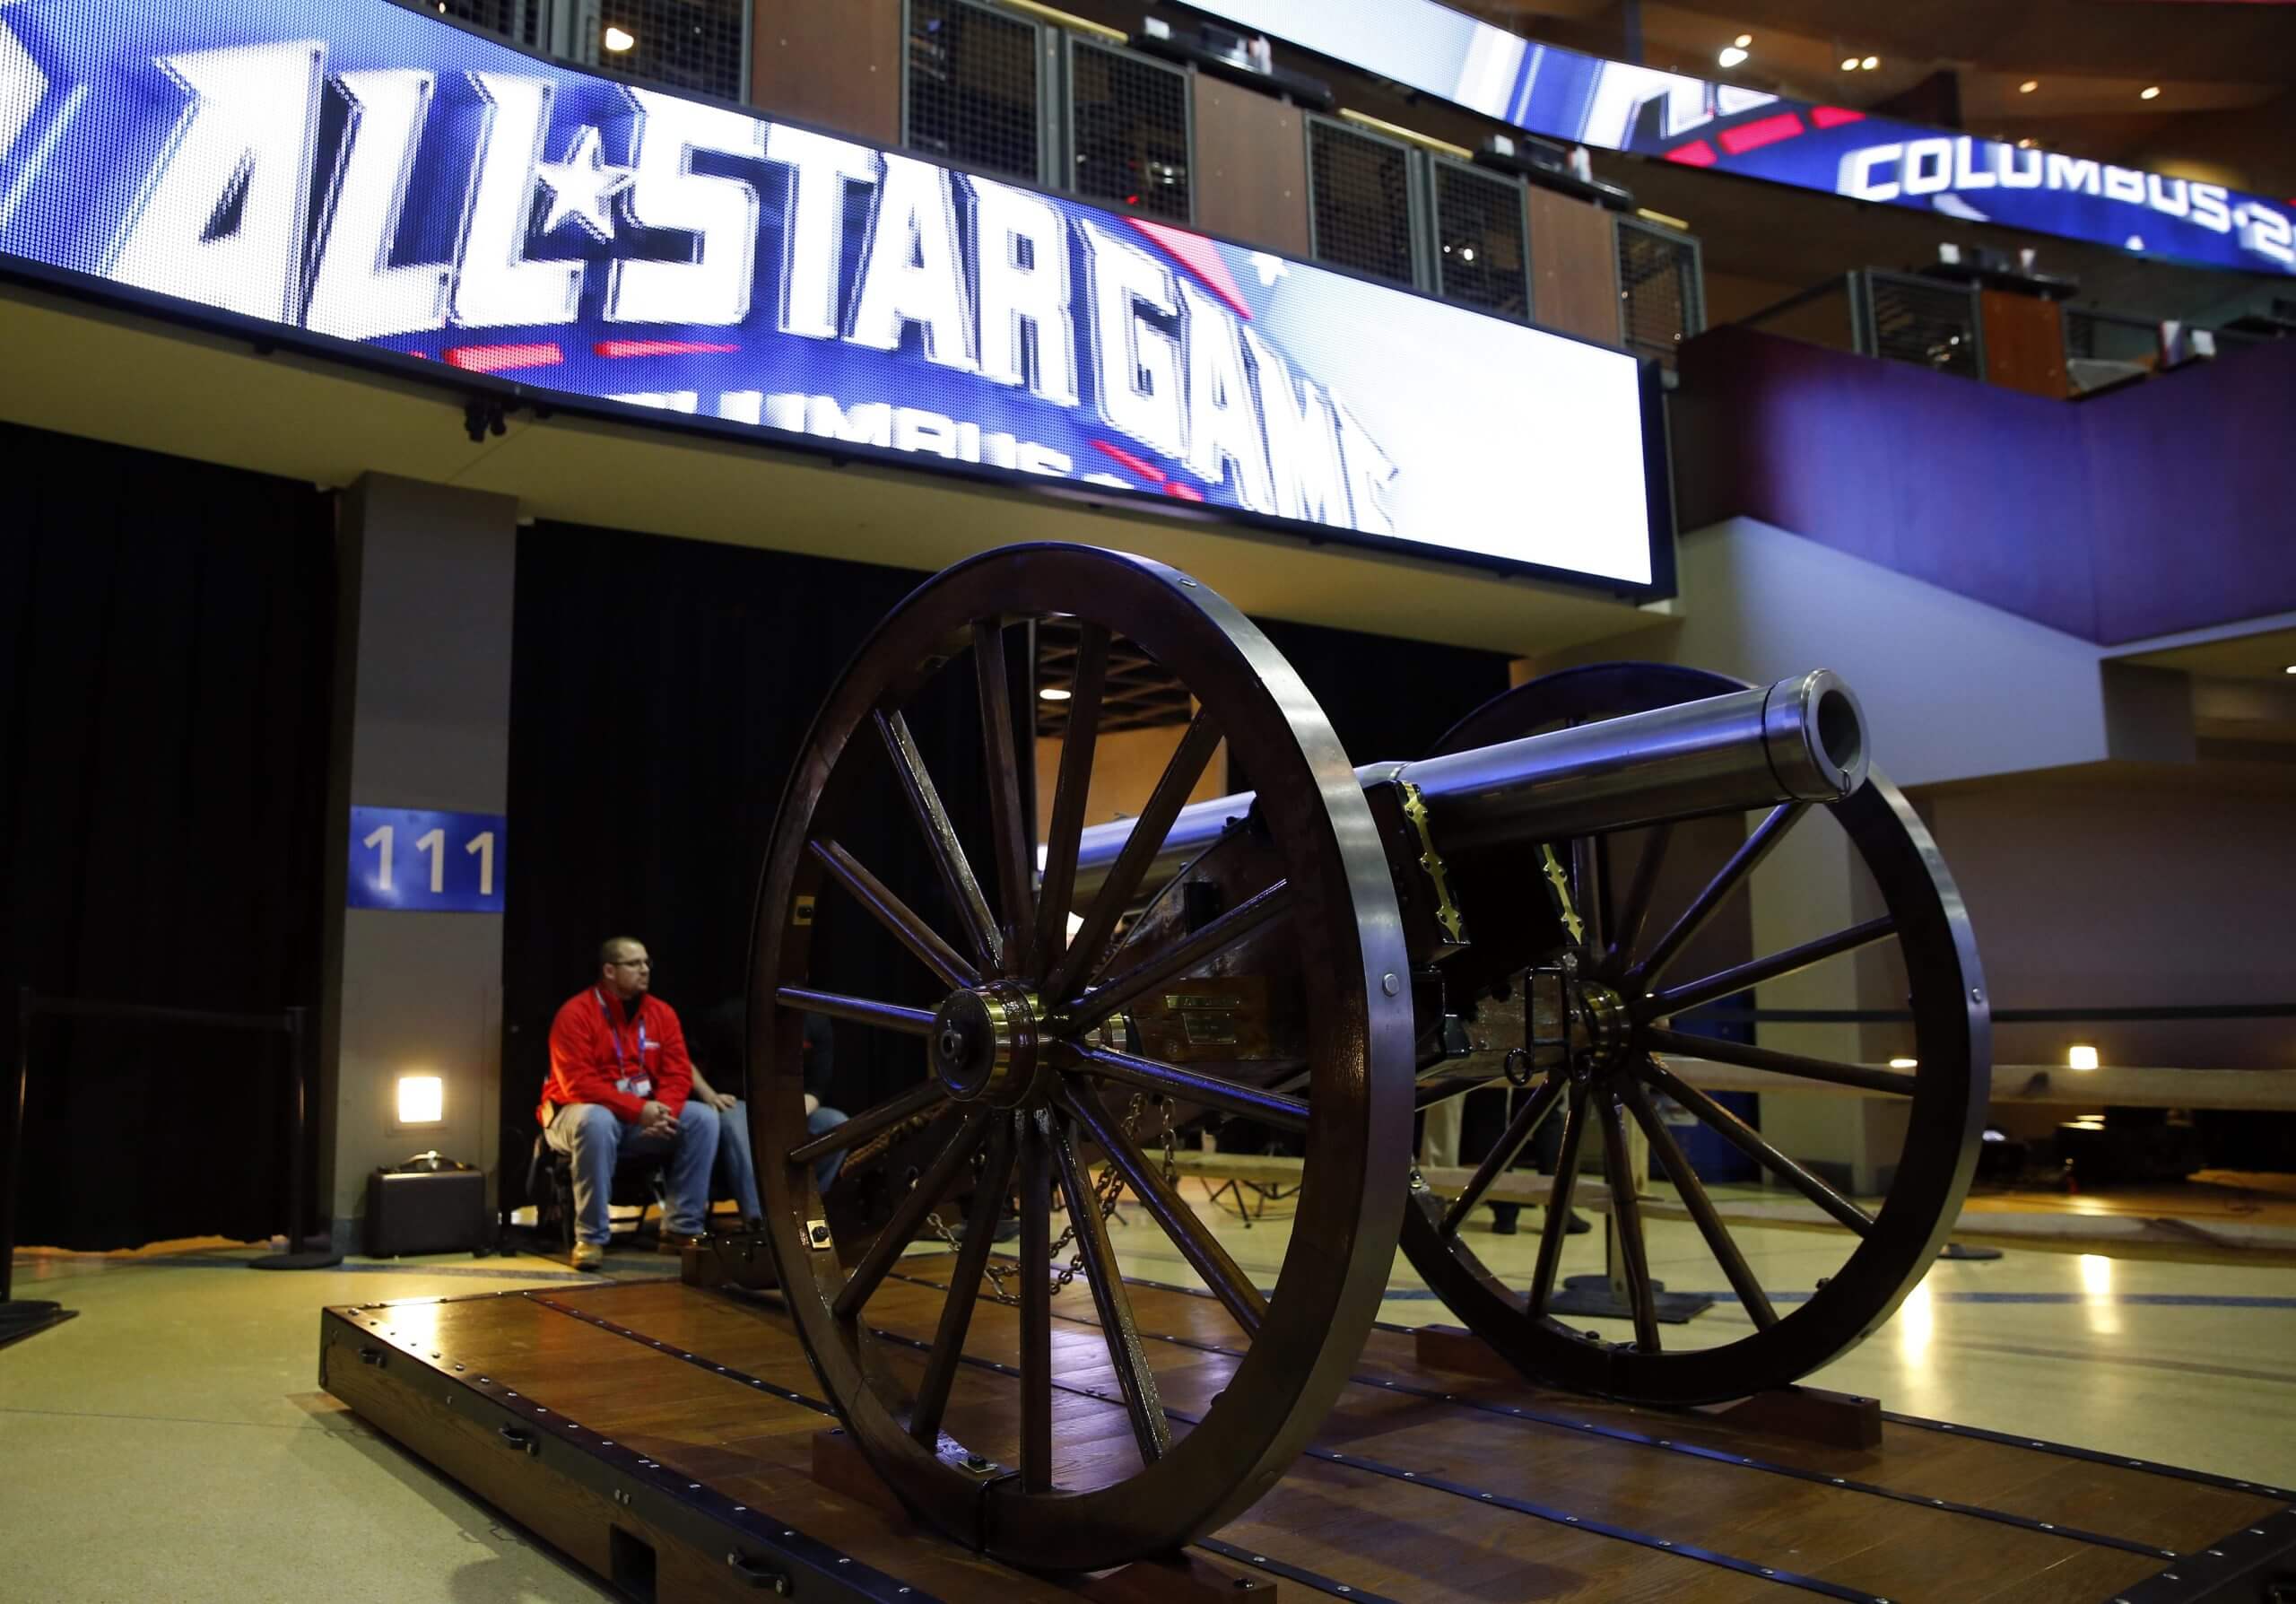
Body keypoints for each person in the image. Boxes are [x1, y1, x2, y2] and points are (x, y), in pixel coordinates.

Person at [539, 937, 720, 1269]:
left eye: (647, 963)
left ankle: (681, 1229)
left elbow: (678, 1072)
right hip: (574, 1116)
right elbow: (578, 1083)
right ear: (609, 970)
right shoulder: (576, 1013)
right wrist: (640, 1111)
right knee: (597, 1120)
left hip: (642, 1119)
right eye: (634, 963)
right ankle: (591, 1238)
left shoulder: (661, 1013)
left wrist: (663, 1111)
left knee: (702, 1120)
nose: (644, 970)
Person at [687, 1002, 849, 1226]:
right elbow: (686, 1058)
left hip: (789, 1106)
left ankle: (805, 1211)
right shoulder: (730, 1015)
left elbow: (816, 1087)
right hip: (738, 1102)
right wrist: (709, 1095)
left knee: (836, 1124)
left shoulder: (815, 1020)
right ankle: (760, 1220)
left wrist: (787, 1115)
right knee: (735, 1123)